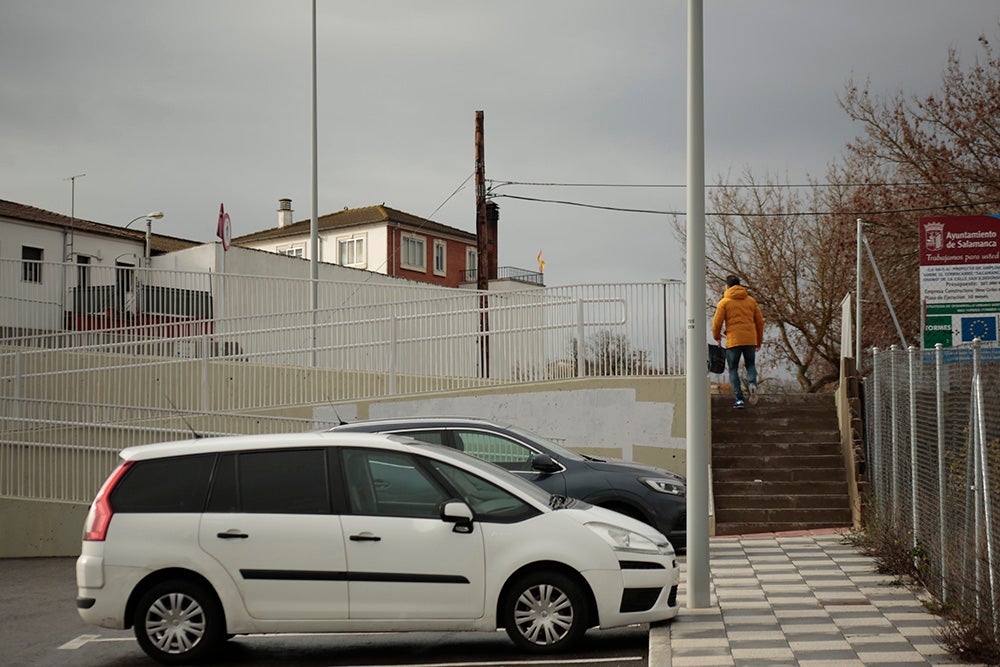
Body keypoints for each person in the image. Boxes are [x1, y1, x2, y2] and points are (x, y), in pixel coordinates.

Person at [712, 275, 764, 408]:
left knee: (733, 369)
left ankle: (739, 399)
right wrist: (759, 340)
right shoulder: (751, 301)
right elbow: (759, 322)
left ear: (727, 286)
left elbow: (717, 323)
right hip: (750, 339)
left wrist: (717, 336)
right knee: (750, 365)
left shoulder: (724, 302)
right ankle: (752, 384)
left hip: (734, 340)